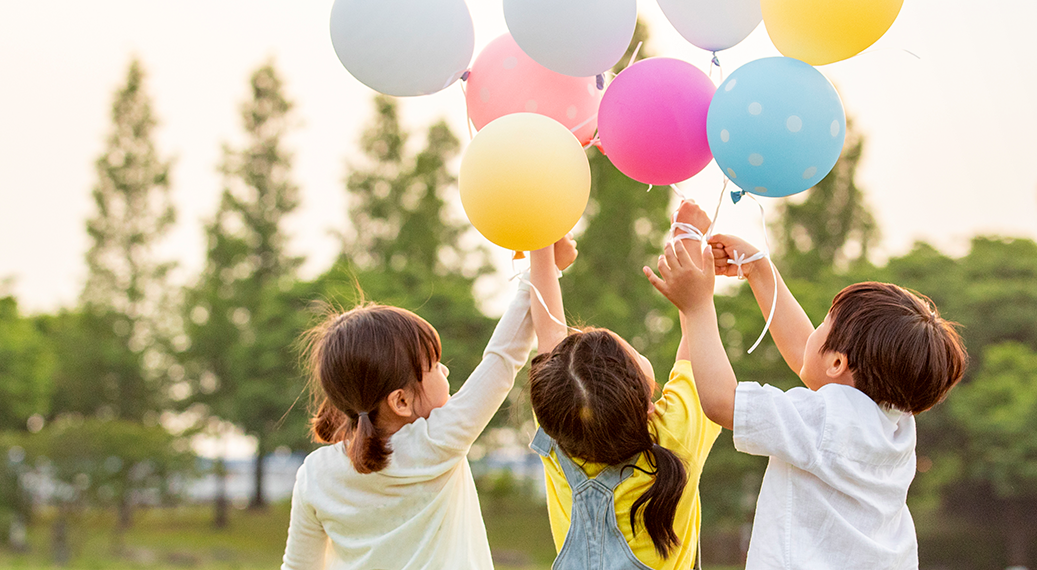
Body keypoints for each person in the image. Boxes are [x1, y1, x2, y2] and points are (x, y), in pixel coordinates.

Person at [648, 201, 969, 569]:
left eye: (823, 325)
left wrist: (697, 306)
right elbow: (809, 357)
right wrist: (758, 270)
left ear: (837, 363)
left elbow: (722, 401)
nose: (812, 332)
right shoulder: (893, 421)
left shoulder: (824, 421)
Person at [279, 238, 566, 570]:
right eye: (434, 365)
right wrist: (545, 263)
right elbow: (503, 357)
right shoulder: (437, 441)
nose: (445, 370)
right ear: (401, 400)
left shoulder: (315, 475)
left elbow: (298, 567)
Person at [523, 217, 723, 569]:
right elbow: (697, 340)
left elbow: (548, 337)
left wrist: (544, 245)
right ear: (647, 403)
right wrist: (688, 239)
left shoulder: (559, 425)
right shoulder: (674, 434)